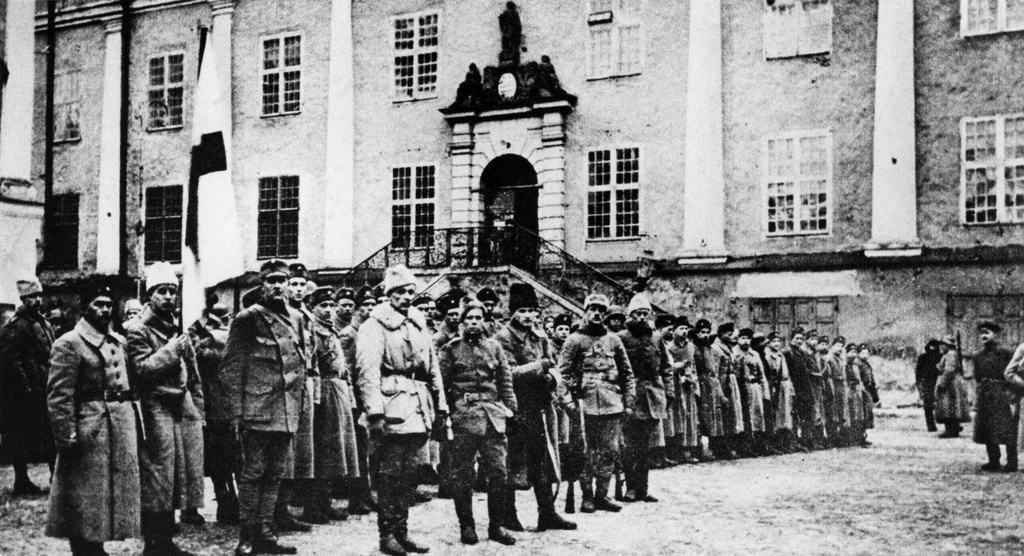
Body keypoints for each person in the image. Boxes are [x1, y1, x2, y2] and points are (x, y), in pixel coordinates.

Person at [357, 265, 448, 556]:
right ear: (389, 294)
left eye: (411, 291)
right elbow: (367, 372)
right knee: (390, 472)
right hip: (391, 405)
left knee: (411, 472)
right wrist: (375, 412)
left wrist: (441, 406)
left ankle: (402, 530)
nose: (407, 297)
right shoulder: (374, 325)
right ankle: (387, 534)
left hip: (419, 406)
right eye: (400, 292)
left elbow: (433, 367)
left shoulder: (418, 322)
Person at [46, 286, 142, 556]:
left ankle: (97, 546)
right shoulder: (69, 343)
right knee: (84, 494)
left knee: (107, 494)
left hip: (118, 426)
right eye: (98, 304)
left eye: (108, 304)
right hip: (88, 427)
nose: (105, 310)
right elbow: (59, 395)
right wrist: (66, 436)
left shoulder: (118, 342)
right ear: (85, 307)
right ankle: (85, 548)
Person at [221, 259, 305, 556]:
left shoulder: (297, 318)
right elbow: (231, 368)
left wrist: (299, 406)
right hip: (256, 410)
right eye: (272, 281)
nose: (279, 285)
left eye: (283, 280)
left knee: (275, 474)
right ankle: (246, 536)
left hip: (285, 409)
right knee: (253, 473)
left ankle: (267, 533)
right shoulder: (247, 318)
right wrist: (236, 413)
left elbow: (301, 365)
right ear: (262, 285)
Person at [124, 263, 203, 556]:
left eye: (172, 291)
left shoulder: (174, 326)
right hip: (154, 407)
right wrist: (172, 350)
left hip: (180, 406)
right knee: (158, 476)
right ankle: (153, 543)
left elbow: (193, 372)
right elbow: (142, 368)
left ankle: (166, 540)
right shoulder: (138, 330)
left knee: (177, 475)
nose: (168, 297)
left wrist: (198, 407)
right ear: (149, 296)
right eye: (162, 291)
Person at [493, 283, 576, 532]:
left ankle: (547, 513)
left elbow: (554, 366)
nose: (529, 316)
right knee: (514, 461)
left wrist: (551, 377)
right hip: (516, 407)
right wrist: (539, 367)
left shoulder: (540, 337)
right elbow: (507, 373)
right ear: (513, 313)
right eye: (523, 311)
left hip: (540, 404)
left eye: (532, 310)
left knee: (542, 461)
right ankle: (509, 514)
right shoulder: (502, 338)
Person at [439, 299, 518, 546]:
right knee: (463, 474)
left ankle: (497, 526)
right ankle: (467, 525)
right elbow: (440, 385)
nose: (474, 323)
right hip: (464, 416)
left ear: (485, 321)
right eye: (469, 319)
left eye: (478, 318)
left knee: (498, 472)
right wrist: (445, 414)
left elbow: (505, 382)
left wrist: (512, 411)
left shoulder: (495, 348)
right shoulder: (450, 349)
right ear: (462, 323)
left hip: (494, 417)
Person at [559, 293, 634, 514]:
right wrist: (567, 403)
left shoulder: (614, 340)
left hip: (612, 403)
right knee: (586, 452)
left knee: (610, 450)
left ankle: (602, 495)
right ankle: (587, 496)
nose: (597, 314)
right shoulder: (574, 340)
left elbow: (627, 374)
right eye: (592, 309)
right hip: (585, 404)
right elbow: (562, 374)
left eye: (601, 310)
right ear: (585, 311)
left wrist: (628, 401)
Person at [303, 287, 360, 522]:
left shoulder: (330, 330)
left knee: (336, 451)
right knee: (323, 450)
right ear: (313, 308)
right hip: (323, 391)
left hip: (338, 390)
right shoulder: (312, 331)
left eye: (330, 305)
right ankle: (314, 506)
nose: (328, 310)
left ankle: (324, 502)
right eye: (323, 306)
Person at [0, 278, 56, 496]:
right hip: (26, 392)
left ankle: (55, 477)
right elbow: (11, 361)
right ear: (23, 299)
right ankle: (21, 480)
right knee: (21, 437)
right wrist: (26, 389)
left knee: (51, 434)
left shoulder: (45, 323)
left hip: (47, 386)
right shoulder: (15, 327)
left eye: (39, 296)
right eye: (33, 297)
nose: (38, 300)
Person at [189, 300, 239, 524]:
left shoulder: (225, 335)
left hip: (225, 403)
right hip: (211, 403)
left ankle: (230, 503)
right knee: (218, 458)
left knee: (229, 458)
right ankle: (226, 503)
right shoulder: (200, 335)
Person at [616, 294, 669, 502]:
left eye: (645, 314)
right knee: (629, 445)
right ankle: (630, 488)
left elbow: (665, 366)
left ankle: (643, 489)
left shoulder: (656, 338)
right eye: (637, 314)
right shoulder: (621, 337)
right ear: (630, 315)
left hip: (652, 397)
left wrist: (669, 392)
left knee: (645, 447)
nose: (641, 318)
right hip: (631, 396)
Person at [341, 284, 379, 516]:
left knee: (366, 449)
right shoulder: (349, 334)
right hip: (354, 399)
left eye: (373, 305)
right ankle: (356, 498)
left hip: (366, 396)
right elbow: (345, 369)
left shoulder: (369, 331)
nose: (370, 310)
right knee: (357, 449)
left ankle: (365, 494)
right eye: (366, 306)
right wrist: (355, 400)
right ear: (357, 308)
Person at [969, 323, 1016, 470]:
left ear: (996, 335)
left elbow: (1014, 372)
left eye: (987, 332)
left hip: (1001, 394)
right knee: (987, 428)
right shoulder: (977, 356)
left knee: (1007, 428)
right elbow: (977, 377)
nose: (984, 336)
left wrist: (1010, 392)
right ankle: (994, 461)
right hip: (985, 394)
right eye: (982, 333)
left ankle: (1012, 462)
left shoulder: (1006, 353)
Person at [665, 317, 701, 464]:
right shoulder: (669, 347)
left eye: (686, 329)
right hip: (677, 386)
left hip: (690, 386)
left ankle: (689, 449)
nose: (685, 331)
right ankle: (677, 451)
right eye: (681, 328)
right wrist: (680, 378)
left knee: (690, 418)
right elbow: (668, 368)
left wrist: (694, 382)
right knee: (678, 419)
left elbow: (693, 367)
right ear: (673, 331)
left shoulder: (691, 347)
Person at [734, 328, 772, 457]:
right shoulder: (734, 353)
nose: (745, 341)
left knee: (757, 416)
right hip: (741, 387)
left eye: (748, 339)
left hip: (755, 387)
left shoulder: (754, 354)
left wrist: (765, 392)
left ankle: (759, 445)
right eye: (743, 338)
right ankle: (744, 446)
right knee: (744, 417)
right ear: (738, 339)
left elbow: (762, 375)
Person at [692, 319, 726, 460]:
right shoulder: (693, 348)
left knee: (714, 417)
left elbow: (714, 370)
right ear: (697, 333)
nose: (705, 335)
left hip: (711, 385)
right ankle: (697, 451)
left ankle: (715, 448)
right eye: (702, 332)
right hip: (700, 384)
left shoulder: (710, 349)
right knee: (700, 417)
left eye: (707, 332)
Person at [785, 328, 824, 451]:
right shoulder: (787, 353)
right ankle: (793, 441)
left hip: (804, 388)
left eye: (801, 338)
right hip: (793, 387)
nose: (799, 341)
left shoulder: (802, 353)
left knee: (806, 415)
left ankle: (806, 440)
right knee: (793, 416)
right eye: (797, 338)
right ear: (791, 338)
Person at [712, 323, 743, 458]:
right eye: (728, 335)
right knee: (721, 418)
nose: (731, 337)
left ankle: (727, 447)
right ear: (721, 334)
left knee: (729, 417)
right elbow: (716, 372)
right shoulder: (716, 349)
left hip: (730, 386)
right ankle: (720, 449)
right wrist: (720, 392)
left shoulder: (728, 348)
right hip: (721, 386)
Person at [764, 332, 795, 453]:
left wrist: (790, 389)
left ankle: (784, 443)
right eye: (774, 341)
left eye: (778, 341)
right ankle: (774, 443)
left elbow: (786, 374)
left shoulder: (781, 355)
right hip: (775, 386)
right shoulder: (767, 355)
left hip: (784, 386)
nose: (776, 344)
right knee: (775, 415)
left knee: (785, 415)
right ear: (769, 343)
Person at [934, 335, 970, 439]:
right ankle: (954, 427)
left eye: (942, 344)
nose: (941, 346)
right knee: (952, 406)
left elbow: (949, 369)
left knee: (948, 407)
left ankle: (950, 429)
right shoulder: (951, 354)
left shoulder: (950, 354)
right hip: (953, 382)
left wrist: (942, 383)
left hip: (950, 385)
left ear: (947, 345)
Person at [823, 336, 850, 448]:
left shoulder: (840, 359)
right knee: (832, 412)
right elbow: (827, 374)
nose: (840, 348)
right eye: (838, 346)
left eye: (842, 346)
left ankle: (840, 438)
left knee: (841, 412)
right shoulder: (829, 358)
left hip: (840, 387)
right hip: (832, 385)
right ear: (832, 346)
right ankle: (832, 438)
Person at [915, 339, 943, 432]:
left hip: (934, 382)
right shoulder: (924, 357)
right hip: (929, 382)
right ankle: (931, 424)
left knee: (934, 404)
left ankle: (934, 424)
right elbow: (918, 372)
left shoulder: (939, 357)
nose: (933, 348)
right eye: (932, 346)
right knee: (929, 405)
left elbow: (918, 373)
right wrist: (919, 383)